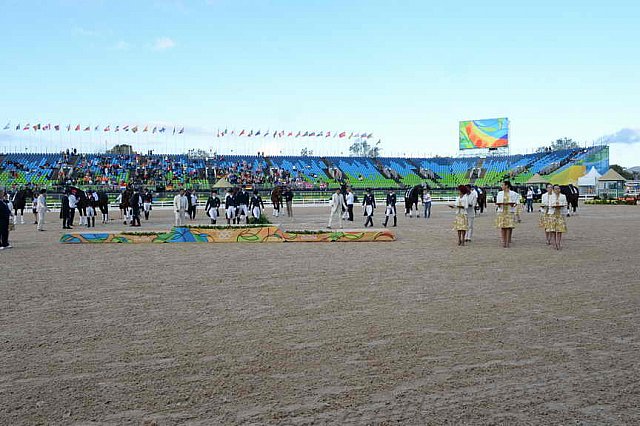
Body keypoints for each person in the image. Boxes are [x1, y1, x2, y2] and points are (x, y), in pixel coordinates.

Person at [494, 180, 519, 248]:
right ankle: (503, 241)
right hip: (501, 211)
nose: (502, 186)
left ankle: (508, 241)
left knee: (508, 227)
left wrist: (513, 204)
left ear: (506, 185)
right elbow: (497, 202)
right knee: (502, 227)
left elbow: (517, 201)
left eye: (503, 185)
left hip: (509, 211)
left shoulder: (513, 193)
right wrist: (498, 204)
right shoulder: (500, 193)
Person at [546, 184, 568, 250]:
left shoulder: (563, 196)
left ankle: (558, 243)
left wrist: (561, 205)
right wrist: (554, 205)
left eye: (558, 188)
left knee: (559, 230)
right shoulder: (551, 196)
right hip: (552, 214)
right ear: (553, 190)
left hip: (560, 214)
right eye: (555, 189)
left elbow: (565, 204)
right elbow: (549, 205)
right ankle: (554, 243)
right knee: (552, 230)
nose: (557, 190)